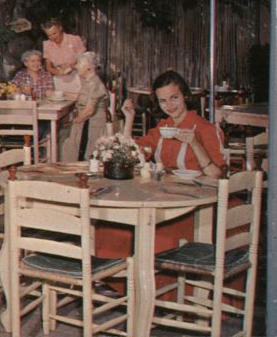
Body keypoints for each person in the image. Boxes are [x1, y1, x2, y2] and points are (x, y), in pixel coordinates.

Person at [95, 70, 226, 295]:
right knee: (111, 227)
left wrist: (195, 143)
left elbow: (218, 176)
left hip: (198, 206)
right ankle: (128, 288)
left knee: (153, 235)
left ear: (185, 95)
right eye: (163, 100)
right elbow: (132, 153)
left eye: (174, 97)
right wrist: (129, 119)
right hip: (168, 199)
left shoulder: (204, 128)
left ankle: (159, 296)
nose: (169, 105)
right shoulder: (163, 128)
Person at [61, 52, 107, 161]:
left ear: (89, 68)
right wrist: (62, 94)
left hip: (93, 126)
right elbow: (83, 97)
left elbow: (89, 111)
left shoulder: (94, 83)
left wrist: (73, 121)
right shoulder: (88, 81)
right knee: (68, 142)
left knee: (74, 147)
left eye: (79, 64)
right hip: (86, 123)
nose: (76, 66)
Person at [40, 18, 86, 94]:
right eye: (49, 35)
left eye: (54, 33)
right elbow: (48, 67)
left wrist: (72, 67)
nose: (53, 37)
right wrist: (58, 72)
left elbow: (84, 60)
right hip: (59, 79)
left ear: (60, 28)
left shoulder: (74, 39)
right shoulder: (47, 44)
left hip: (77, 76)